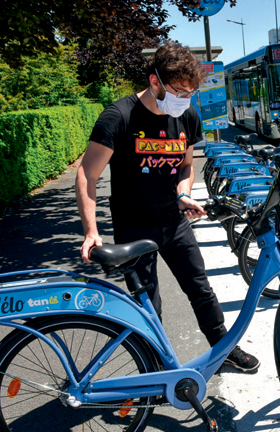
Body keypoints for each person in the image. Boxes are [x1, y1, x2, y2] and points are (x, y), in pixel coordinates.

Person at [75, 41, 259, 372]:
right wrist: (91, 231)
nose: (184, 99)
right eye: (178, 90)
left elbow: (186, 165)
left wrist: (184, 193)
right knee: (149, 305)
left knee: (200, 288)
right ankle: (156, 371)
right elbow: (87, 173)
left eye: (190, 93)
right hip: (134, 226)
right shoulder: (120, 116)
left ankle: (224, 348)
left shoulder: (186, 115)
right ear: (154, 80)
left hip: (174, 222)